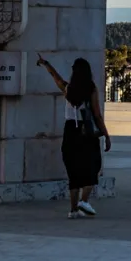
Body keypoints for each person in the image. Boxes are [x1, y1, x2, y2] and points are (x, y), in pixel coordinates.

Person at [37, 55, 112, 217]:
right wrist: (106, 135)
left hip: (70, 131)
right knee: (94, 166)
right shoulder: (91, 88)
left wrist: (46, 64)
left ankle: (73, 210)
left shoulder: (69, 89)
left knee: (73, 171)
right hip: (86, 132)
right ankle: (84, 201)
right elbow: (97, 115)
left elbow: (56, 78)